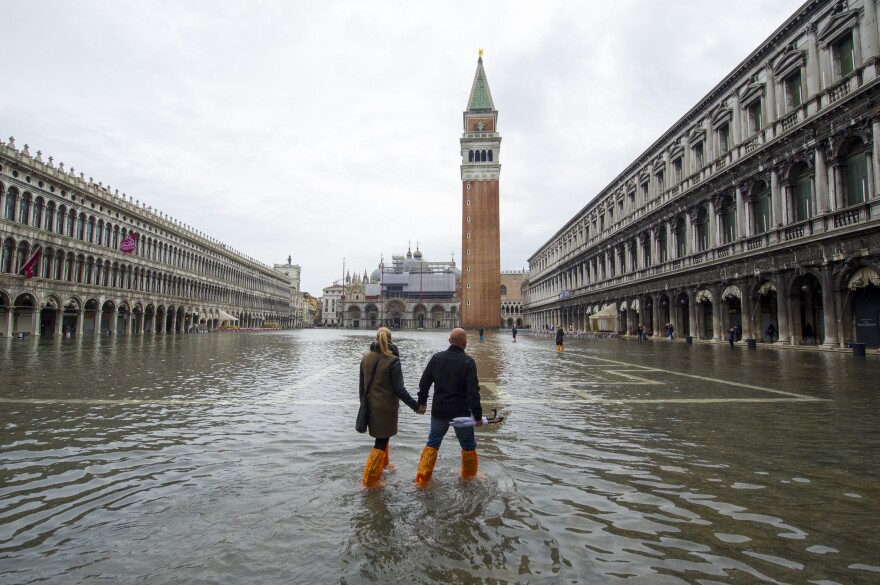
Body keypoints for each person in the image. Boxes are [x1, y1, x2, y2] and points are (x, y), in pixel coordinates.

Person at [415, 328, 483, 486]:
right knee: (468, 446)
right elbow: (473, 393)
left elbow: (424, 382)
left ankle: (422, 480)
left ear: (449, 341)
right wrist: (478, 416)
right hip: (461, 413)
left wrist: (422, 403)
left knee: (432, 444)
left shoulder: (436, 358)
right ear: (465, 344)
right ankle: (469, 478)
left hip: (440, 411)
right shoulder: (468, 362)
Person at [359, 327, 421, 487]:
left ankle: (384, 466)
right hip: (385, 407)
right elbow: (399, 389)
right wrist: (415, 406)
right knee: (380, 442)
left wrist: (364, 405)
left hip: (370, 405)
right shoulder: (392, 360)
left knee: (383, 438)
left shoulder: (365, 357)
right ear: (390, 340)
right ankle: (370, 480)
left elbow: (362, 387)